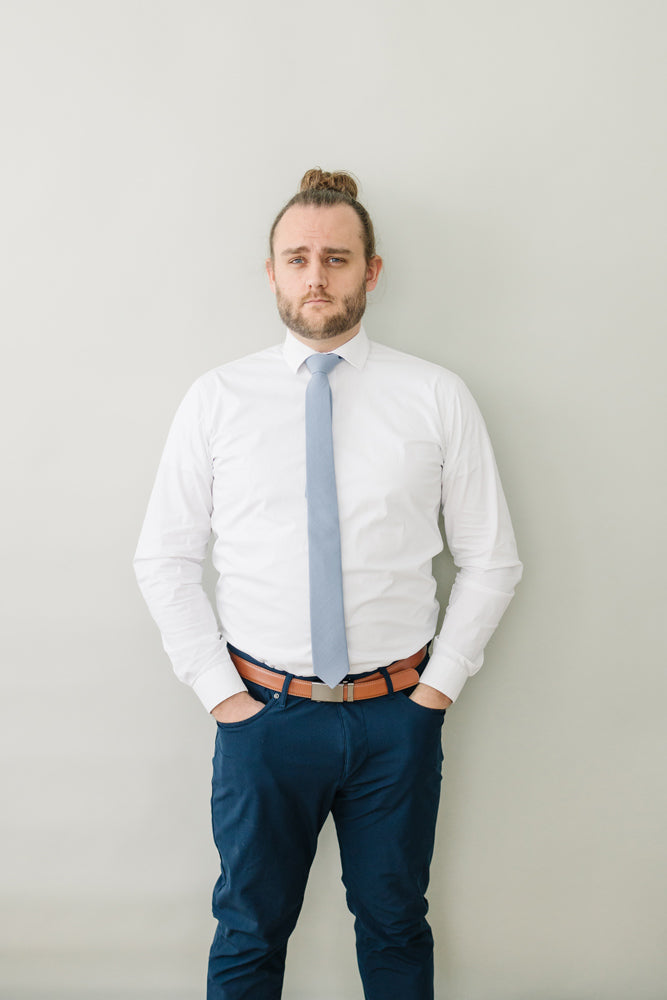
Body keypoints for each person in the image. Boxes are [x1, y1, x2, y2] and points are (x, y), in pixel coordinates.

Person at [134, 168, 522, 1000]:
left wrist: (433, 696)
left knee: (392, 924)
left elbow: (493, 558)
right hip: (261, 718)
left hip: (395, 719)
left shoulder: (434, 396)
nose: (317, 277)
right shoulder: (217, 400)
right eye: (298, 258)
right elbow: (162, 558)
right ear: (271, 272)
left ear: (370, 272)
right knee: (247, 927)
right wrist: (221, 697)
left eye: (337, 259)